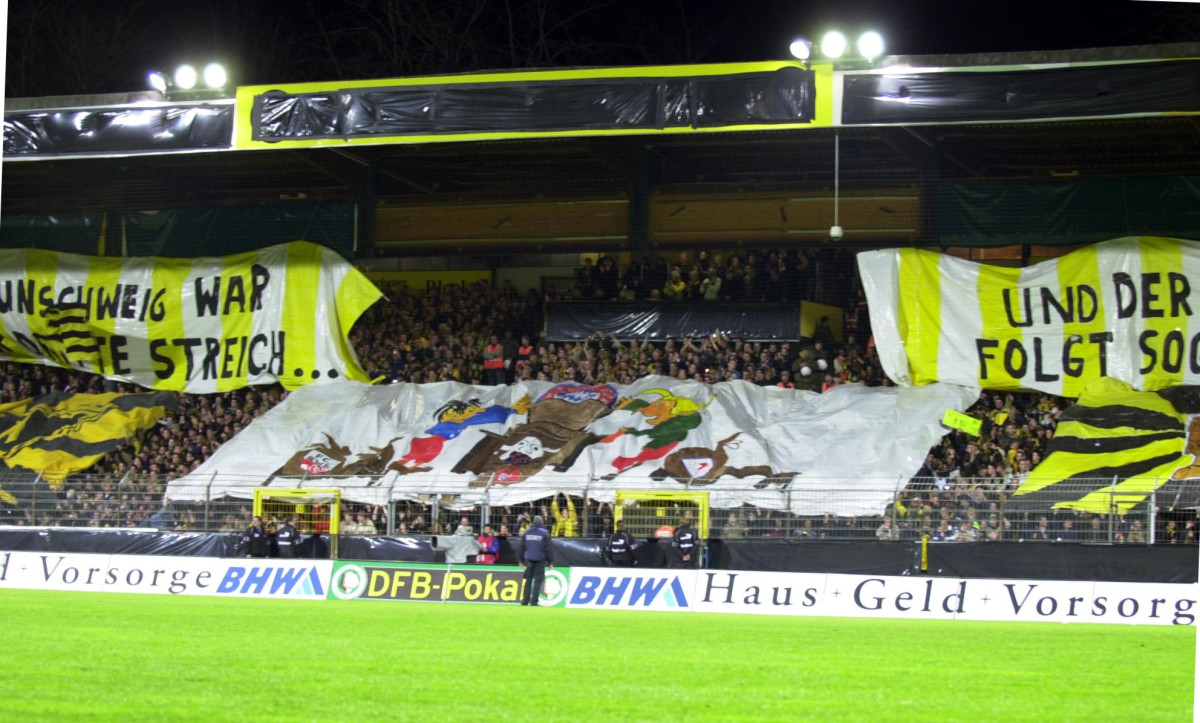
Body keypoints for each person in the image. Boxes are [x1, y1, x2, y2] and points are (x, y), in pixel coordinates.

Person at [520, 514, 553, 606]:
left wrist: (520, 560)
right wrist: (550, 562)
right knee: (538, 581)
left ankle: (525, 600)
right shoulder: (545, 533)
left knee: (528, 580)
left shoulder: (527, 532)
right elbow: (548, 548)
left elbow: (522, 547)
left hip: (529, 559)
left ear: (533, 522)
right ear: (542, 522)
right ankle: (534, 601)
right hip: (540, 559)